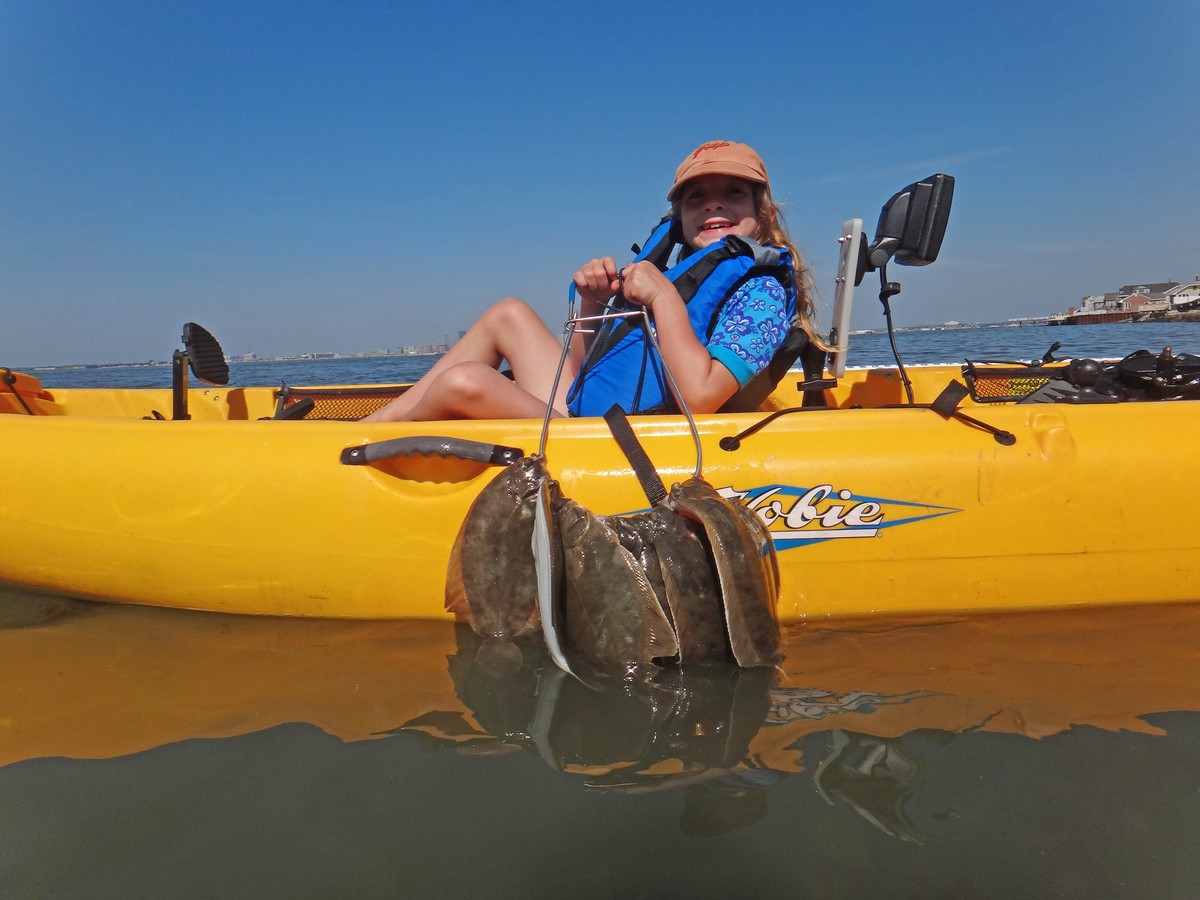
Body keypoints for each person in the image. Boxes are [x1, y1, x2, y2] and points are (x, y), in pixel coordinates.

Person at [362, 140, 817, 423]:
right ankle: (379, 426)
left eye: (733, 194)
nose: (713, 207)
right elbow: (578, 374)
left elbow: (699, 397)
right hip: (587, 410)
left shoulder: (762, 293)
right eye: (697, 198)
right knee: (509, 313)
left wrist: (662, 298)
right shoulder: (677, 276)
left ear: (765, 215)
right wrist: (592, 306)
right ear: (679, 218)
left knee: (463, 384)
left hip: (619, 436)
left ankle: (381, 458)